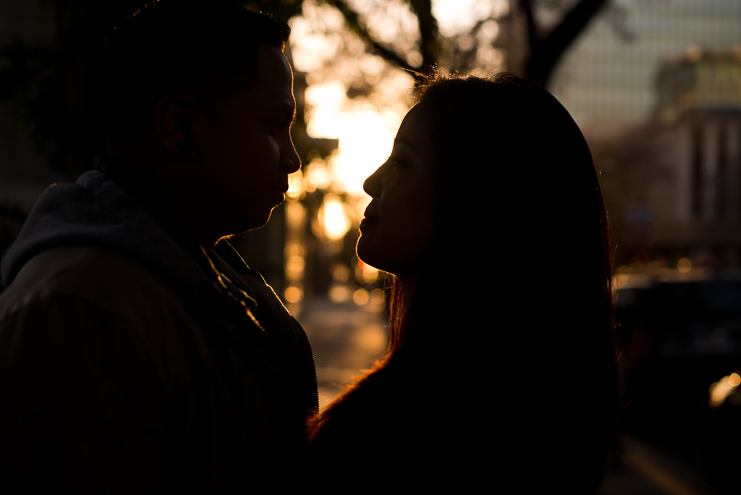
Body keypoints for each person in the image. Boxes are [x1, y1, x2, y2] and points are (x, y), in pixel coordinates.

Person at [0, 1, 317, 492]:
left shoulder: (207, 284)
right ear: (180, 128)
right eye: (275, 125)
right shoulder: (80, 310)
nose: (293, 159)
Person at [308, 73, 619, 492]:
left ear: (471, 199)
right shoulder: (547, 414)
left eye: (402, 161)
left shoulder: (394, 433)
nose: (371, 182)